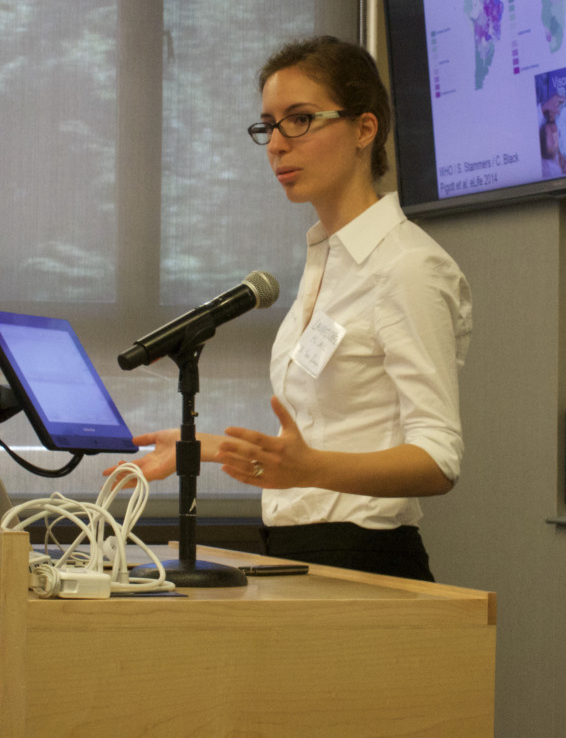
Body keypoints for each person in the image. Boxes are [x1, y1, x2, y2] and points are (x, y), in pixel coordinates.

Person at [105, 36, 472, 581]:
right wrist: (203, 447)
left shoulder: (408, 266)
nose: (276, 144)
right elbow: (328, 432)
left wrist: (310, 469)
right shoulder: (327, 260)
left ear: (364, 129)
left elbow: (439, 459)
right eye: (268, 126)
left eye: (299, 120)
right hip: (290, 551)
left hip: (366, 560)